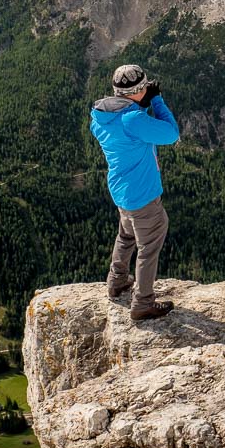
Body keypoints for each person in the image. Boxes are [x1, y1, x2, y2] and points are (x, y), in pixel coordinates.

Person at [90, 64, 180, 321]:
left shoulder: (99, 115)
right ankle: (142, 303)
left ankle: (116, 282)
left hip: (120, 190)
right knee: (148, 247)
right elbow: (171, 134)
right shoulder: (134, 120)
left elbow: (126, 126)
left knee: (126, 235)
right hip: (142, 194)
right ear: (140, 89)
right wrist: (158, 101)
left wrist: (139, 104)